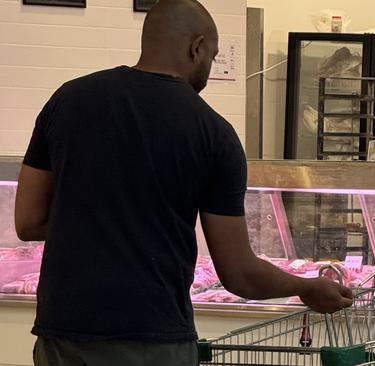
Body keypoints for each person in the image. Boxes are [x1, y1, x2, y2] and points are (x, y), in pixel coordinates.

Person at [13, 1, 353, 365]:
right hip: (153, 341)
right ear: (197, 47)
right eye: (213, 56)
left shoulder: (67, 100)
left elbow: (28, 221)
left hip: (63, 336)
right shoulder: (213, 134)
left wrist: (99, 224)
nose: (209, 67)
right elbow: (239, 274)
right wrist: (305, 287)